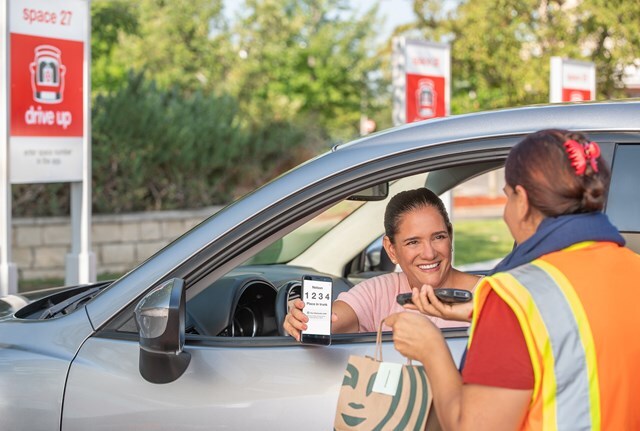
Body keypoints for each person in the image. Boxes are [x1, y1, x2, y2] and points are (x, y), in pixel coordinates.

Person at [386, 129, 640, 430]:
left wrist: (432, 348)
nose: (506, 214)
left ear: (522, 199)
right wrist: (485, 313)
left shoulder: (516, 298)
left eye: (507, 198)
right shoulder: (632, 268)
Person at [283, 187, 480, 341]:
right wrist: (304, 321)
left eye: (438, 237)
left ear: (450, 236)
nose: (429, 253)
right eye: (413, 242)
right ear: (391, 249)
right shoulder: (379, 291)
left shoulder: (491, 293)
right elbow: (334, 320)